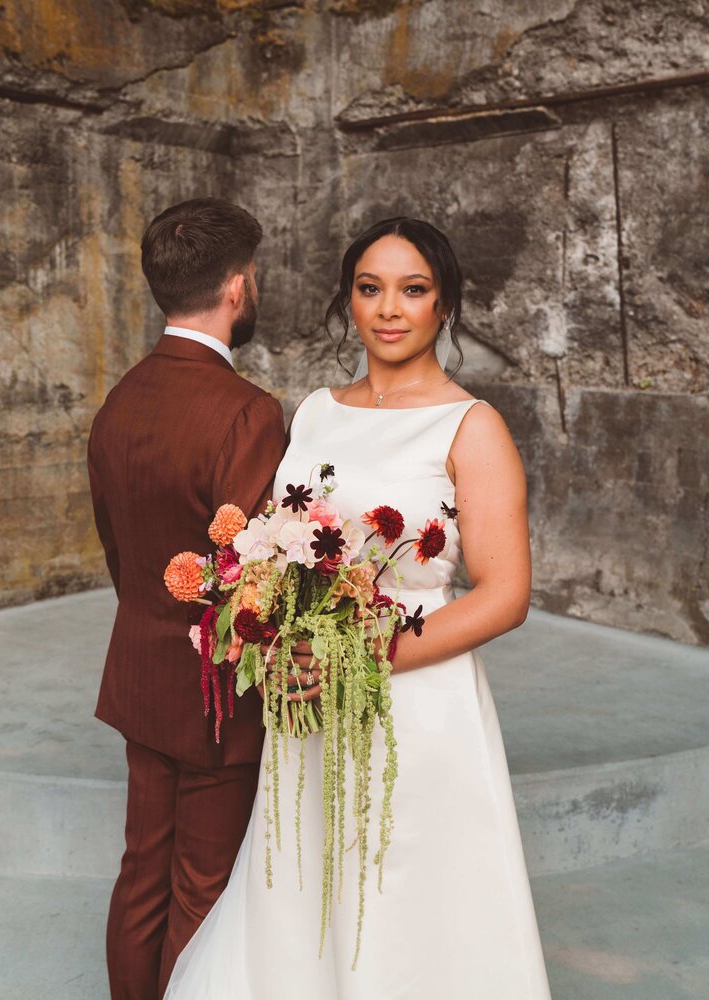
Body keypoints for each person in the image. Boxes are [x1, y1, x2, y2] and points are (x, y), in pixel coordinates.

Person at [164, 217, 552, 999]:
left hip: (417, 700)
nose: (389, 309)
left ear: (444, 305)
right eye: (370, 289)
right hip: (308, 702)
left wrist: (358, 654)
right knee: (305, 886)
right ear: (348, 300)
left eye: (413, 290)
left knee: (407, 901)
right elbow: (282, 543)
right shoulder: (314, 412)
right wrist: (271, 630)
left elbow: (506, 596)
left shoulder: (471, 427)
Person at [87, 197, 287, 1000]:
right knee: (201, 888)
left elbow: (117, 548)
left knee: (141, 874)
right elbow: (252, 577)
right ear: (238, 286)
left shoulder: (120, 400)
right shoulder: (247, 412)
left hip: (137, 672)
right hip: (213, 692)